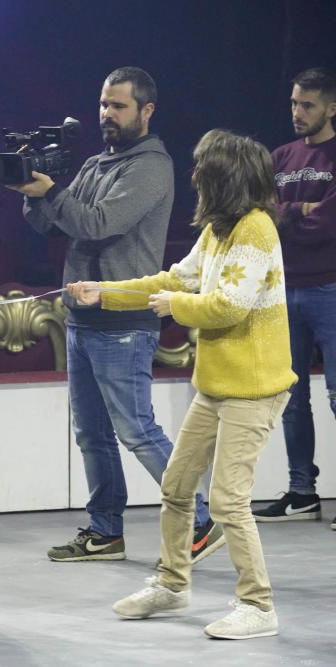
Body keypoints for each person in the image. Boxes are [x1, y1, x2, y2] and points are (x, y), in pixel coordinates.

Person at [73, 129, 297, 639]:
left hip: (255, 388)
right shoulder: (219, 229)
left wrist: (177, 308)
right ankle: (173, 584)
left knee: (226, 501)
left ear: (226, 178)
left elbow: (227, 306)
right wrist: (104, 292)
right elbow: (173, 279)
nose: (195, 177)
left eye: (203, 170)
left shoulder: (257, 230)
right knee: (176, 486)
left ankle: (258, 606)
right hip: (216, 385)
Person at [8, 66, 220, 562]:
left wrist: (52, 195)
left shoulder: (151, 167)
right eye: (104, 104)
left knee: (137, 430)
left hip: (124, 320)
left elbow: (99, 224)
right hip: (84, 318)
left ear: (146, 110)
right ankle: (105, 531)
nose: (106, 114)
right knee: (93, 434)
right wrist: (31, 194)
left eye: (118, 106)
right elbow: (53, 223)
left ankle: (201, 519)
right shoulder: (97, 163)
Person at [253, 67, 336, 525]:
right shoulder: (279, 156)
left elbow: (328, 224)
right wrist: (296, 210)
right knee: (292, 395)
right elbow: (260, 215)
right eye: (293, 103)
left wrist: (290, 218)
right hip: (285, 290)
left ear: (331, 108)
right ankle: (302, 491)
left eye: (307, 104)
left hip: (331, 287)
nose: (297, 112)